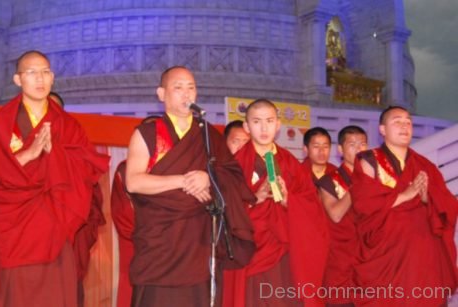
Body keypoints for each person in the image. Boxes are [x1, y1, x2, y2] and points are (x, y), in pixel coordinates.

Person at [0, 50, 110, 306]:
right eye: (31, 73)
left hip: (54, 227)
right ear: (18, 80)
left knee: (54, 295)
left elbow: (86, 174)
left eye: (45, 72)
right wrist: (29, 154)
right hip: (12, 232)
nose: (40, 79)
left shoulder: (69, 126)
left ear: (52, 78)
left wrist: (56, 155)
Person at [125, 66, 256, 307]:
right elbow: (133, 182)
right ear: (161, 94)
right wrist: (183, 179)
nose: (187, 94)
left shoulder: (207, 135)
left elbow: (233, 176)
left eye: (191, 88)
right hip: (160, 247)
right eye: (178, 88)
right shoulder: (147, 133)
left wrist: (209, 177)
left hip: (198, 245)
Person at [223, 99, 329, 307]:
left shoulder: (290, 163)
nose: (264, 128)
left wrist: (290, 201)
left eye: (270, 121)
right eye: (257, 121)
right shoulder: (234, 166)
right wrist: (254, 199)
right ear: (247, 126)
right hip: (250, 251)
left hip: (284, 250)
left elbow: (313, 209)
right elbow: (224, 211)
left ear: (278, 124)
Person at [350, 106, 458, 306]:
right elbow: (364, 203)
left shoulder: (425, 166)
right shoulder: (369, 161)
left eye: (408, 122)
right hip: (386, 254)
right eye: (397, 121)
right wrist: (404, 195)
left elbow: (448, 206)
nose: (404, 126)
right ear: (382, 129)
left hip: (423, 255)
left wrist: (427, 198)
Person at [316, 125, 367, 306]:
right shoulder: (330, 181)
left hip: (369, 261)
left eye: (362, 144)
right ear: (341, 149)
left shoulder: (376, 180)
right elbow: (336, 215)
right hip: (341, 262)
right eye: (352, 144)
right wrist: (356, 187)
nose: (358, 149)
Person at [111, 115, 159, 307]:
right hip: (137, 243)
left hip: (171, 246)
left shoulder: (177, 168)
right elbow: (121, 214)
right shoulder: (125, 170)